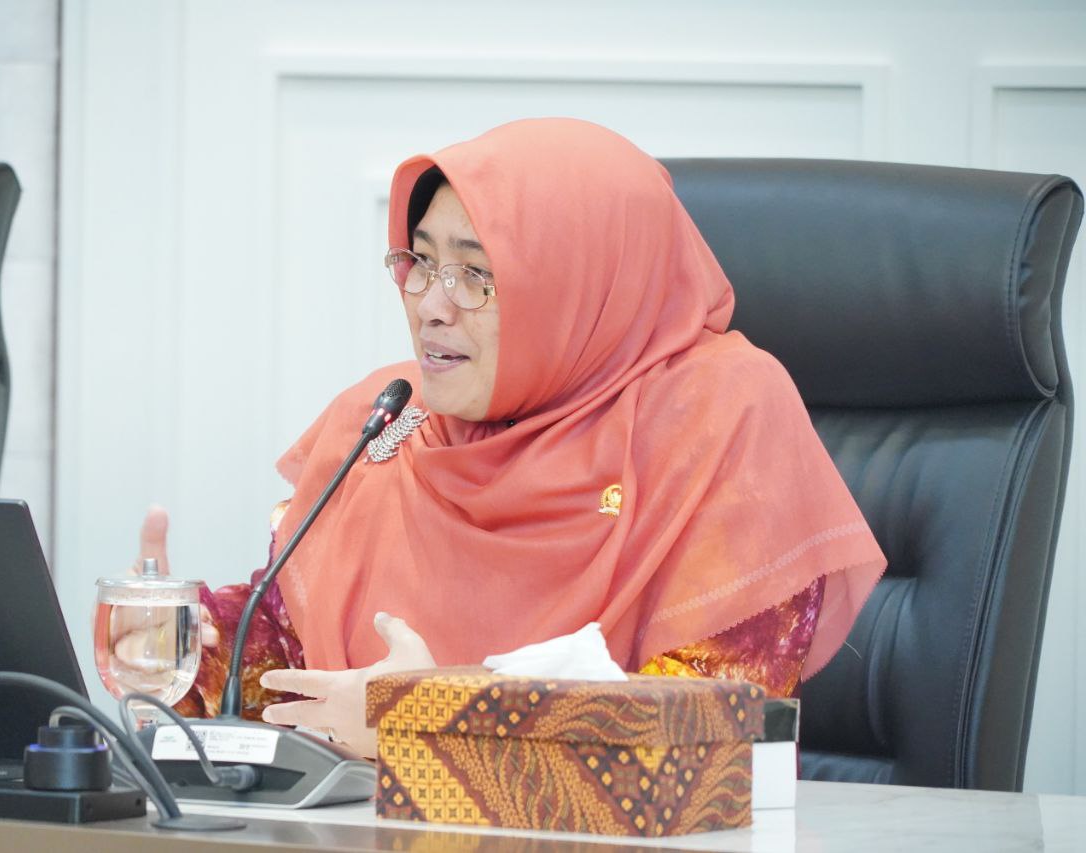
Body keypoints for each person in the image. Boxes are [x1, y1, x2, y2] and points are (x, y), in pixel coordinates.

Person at [128, 118, 887, 759]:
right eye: (421, 262)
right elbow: (285, 659)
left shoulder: (721, 412)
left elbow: (707, 725)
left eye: (476, 273)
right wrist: (180, 643)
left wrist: (432, 719)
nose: (430, 305)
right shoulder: (389, 419)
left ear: (577, 284)